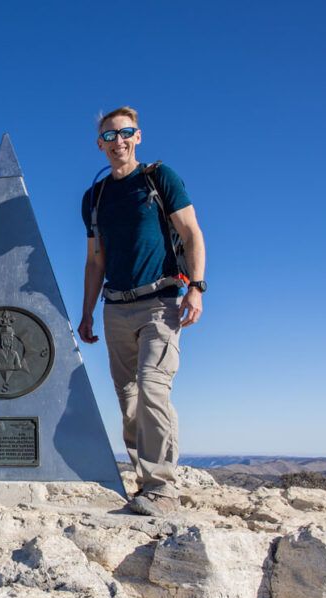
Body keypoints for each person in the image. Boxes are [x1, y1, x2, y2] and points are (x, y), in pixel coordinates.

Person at [78, 106, 207, 516]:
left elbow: (190, 232)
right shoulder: (95, 197)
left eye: (125, 133)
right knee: (129, 401)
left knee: (153, 388)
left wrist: (197, 288)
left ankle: (161, 487)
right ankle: (144, 482)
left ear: (138, 136)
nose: (119, 142)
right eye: (110, 136)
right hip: (115, 307)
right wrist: (86, 313)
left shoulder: (159, 179)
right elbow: (95, 260)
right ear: (100, 144)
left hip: (161, 302)